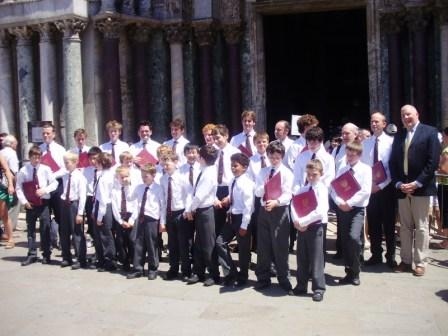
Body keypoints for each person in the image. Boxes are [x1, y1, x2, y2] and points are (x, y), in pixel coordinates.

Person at [390, 104, 440, 277]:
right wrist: (397, 183)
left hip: (421, 188)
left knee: (421, 227)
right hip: (402, 188)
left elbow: (432, 161)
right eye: (403, 115)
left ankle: (420, 262)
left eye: (408, 114)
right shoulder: (399, 135)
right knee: (404, 227)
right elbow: (393, 162)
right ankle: (405, 260)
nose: (406, 118)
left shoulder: (430, 132)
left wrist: (417, 183)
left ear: (417, 114)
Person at [254, 140, 294, 295]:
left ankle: (284, 279)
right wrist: (263, 187)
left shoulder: (286, 173)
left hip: (279, 210)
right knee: (263, 246)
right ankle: (263, 278)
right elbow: (257, 192)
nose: (274, 160)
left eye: (277, 157)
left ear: (282, 156)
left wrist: (276, 202)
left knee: (280, 246)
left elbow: (288, 194)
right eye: (271, 156)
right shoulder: (263, 172)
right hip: (264, 209)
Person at [331, 141, 372, 286]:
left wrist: (350, 203)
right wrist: (339, 202)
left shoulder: (366, 169)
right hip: (342, 208)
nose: (349, 157)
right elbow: (334, 187)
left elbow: (365, 190)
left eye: (352, 155)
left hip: (356, 209)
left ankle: (356, 270)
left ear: (359, 155)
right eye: (347, 154)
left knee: (354, 238)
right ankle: (349, 270)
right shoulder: (343, 168)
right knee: (345, 241)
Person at [361, 112, 397, 268]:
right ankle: (376, 254)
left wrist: (380, 185)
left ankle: (391, 256)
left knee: (388, 224)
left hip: (387, 189)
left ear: (384, 124)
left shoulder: (391, 142)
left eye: (377, 121)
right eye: (372, 121)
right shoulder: (366, 143)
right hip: (371, 189)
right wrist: (369, 186)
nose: (374, 124)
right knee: (374, 223)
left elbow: (392, 167)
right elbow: (363, 167)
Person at [291, 159, 328, 301]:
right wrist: (296, 221)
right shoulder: (303, 189)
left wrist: (304, 222)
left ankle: (318, 288)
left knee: (316, 258)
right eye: (309, 174)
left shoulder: (322, 189)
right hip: (302, 227)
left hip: (315, 226)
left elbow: (321, 211)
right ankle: (301, 285)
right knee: (302, 257)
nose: (311, 177)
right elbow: (293, 205)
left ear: (321, 174)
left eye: (315, 174)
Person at [215, 153, 255, 287]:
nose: (233, 168)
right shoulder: (232, 180)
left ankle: (243, 277)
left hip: (242, 219)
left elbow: (248, 207)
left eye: (236, 166)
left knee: (243, 250)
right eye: (232, 165)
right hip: (231, 217)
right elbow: (233, 194)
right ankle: (231, 272)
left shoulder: (247, 184)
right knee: (220, 242)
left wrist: (244, 225)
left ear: (244, 167)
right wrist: (228, 198)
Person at [185, 145, 220, 286]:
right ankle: (199, 272)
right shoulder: (204, 170)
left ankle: (213, 274)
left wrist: (189, 209)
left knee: (208, 243)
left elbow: (199, 196)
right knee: (199, 242)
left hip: (205, 210)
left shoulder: (209, 173)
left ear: (203, 158)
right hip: (200, 211)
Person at [16, 146, 58, 265]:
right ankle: (32, 254)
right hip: (31, 203)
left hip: (43, 202)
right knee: (31, 229)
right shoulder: (23, 171)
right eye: (34, 157)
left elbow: (54, 183)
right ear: (30, 158)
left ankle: (46, 254)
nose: (37, 160)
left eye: (39, 157)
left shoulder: (46, 169)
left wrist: (45, 190)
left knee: (45, 228)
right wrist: (24, 202)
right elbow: (19, 188)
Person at [127, 163, 165, 280]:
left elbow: (162, 206)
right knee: (138, 244)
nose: (144, 178)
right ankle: (138, 268)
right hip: (141, 218)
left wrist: (162, 222)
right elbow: (130, 198)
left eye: (146, 176)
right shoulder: (139, 187)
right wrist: (127, 185)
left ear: (153, 175)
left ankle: (153, 269)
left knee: (152, 244)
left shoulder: (158, 189)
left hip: (152, 219)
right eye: (142, 176)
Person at [160, 152, 192, 281]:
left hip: (181, 213)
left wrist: (187, 211)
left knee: (184, 244)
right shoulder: (162, 179)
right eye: (163, 164)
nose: (165, 166)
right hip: (169, 213)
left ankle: (186, 270)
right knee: (172, 244)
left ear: (175, 163)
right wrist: (162, 220)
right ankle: (173, 269)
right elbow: (162, 200)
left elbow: (189, 195)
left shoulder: (182, 178)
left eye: (168, 164)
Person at [331, 122, 358, 259]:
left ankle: (356, 255)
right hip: (340, 192)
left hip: (356, 192)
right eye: (343, 133)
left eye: (347, 133)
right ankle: (341, 250)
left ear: (355, 134)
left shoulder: (360, 149)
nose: (344, 136)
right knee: (341, 222)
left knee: (356, 226)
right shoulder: (337, 150)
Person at [39, 123, 67, 249]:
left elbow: (64, 168)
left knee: (60, 215)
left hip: (57, 185)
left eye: (48, 133)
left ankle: (63, 241)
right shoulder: (39, 149)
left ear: (54, 134)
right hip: (44, 187)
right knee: (45, 216)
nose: (45, 135)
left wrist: (52, 176)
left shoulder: (60, 150)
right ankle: (48, 242)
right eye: (44, 133)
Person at [59, 152, 87, 269]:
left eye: (67, 163)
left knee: (77, 232)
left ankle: (80, 259)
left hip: (74, 205)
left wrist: (80, 213)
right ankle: (66, 257)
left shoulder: (80, 177)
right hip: (64, 204)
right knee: (64, 232)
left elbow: (82, 196)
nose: (66, 165)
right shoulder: (65, 175)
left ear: (75, 163)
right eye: (64, 163)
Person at [212, 124, 240, 237]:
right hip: (215, 189)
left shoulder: (235, 152)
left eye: (218, 137)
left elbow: (239, 175)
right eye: (214, 138)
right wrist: (213, 197)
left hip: (230, 189)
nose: (216, 141)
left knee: (230, 225)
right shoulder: (212, 152)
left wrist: (229, 196)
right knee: (216, 224)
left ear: (226, 136)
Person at [93, 152, 117, 272]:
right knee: (101, 235)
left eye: (97, 161)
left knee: (105, 235)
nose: (95, 163)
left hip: (104, 207)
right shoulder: (103, 175)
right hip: (101, 206)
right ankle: (102, 259)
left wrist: (99, 217)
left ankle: (109, 261)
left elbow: (102, 199)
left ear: (102, 163)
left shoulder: (104, 178)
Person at [111, 166, 137, 272]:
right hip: (120, 217)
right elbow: (114, 208)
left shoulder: (133, 189)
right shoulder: (115, 191)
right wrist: (120, 221)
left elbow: (137, 205)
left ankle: (135, 262)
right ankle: (124, 262)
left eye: (127, 176)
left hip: (131, 216)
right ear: (117, 177)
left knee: (132, 240)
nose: (124, 179)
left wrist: (131, 220)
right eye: (122, 177)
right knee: (121, 241)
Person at [0, 135, 20, 232]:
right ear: (12, 144)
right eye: (16, 143)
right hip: (8, 183)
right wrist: (15, 185)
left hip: (2, 183)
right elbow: (13, 171)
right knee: (14, 204)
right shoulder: (12, 153)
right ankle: (9, 230)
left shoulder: (1, 152)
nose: (16, 145)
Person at [0, 153, 15, 248]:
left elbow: (7, 170)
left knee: (3, 214)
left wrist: (10, 185)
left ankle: (11, 239)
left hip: (0, 188)